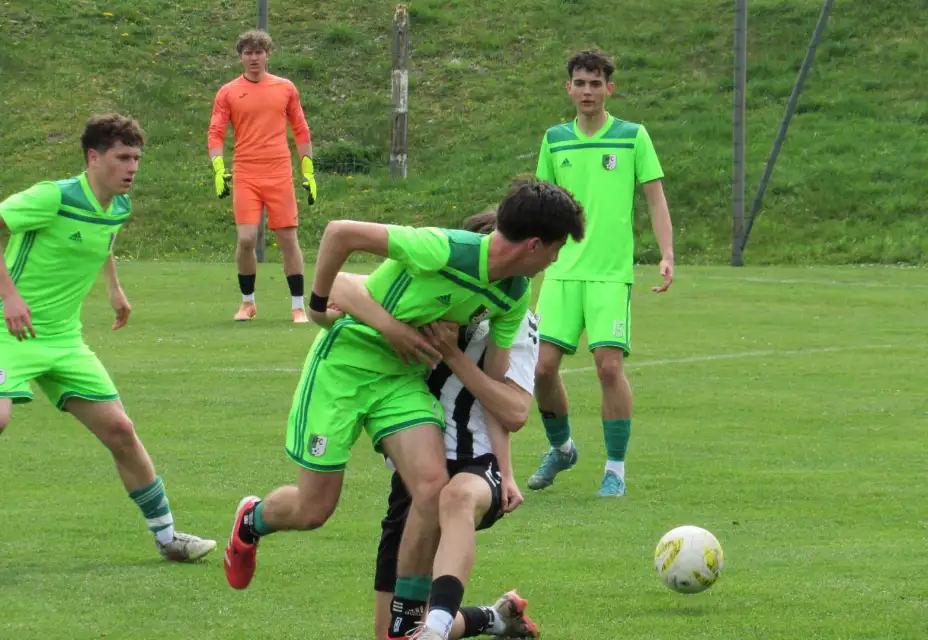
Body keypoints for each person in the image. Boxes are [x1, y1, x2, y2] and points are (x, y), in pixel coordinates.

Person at [222, 178, 584, 640]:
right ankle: (251, 520)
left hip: (401, 379)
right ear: (534, 244)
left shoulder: (513, 295)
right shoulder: (441, 248)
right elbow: (339, 233)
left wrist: (505, 468)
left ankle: (410, 624)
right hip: (345, 366)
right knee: (314, 509)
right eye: (556, 249)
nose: (555, 259)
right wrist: (318, 308)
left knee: (432, 487)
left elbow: (494, 389)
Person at [0, 113, 216, 561]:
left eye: (136, 158)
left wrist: (114, 288)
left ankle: (168, 538)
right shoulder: (52, 197)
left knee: (120, 430)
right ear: (94, 157)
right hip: (8, 331)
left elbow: (104, 240)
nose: (132, 167)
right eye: (123, 157)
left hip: (63, 339)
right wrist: (10, 296)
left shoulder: (118, 205)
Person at [326, 209, 540, 640]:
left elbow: (514, 412)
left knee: (456, 497)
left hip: (475, 464)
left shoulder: (511, 322)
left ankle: (441, 624)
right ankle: (492, 618)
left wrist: (454, 356)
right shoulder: (425, 300)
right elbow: (338, 288)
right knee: (393, 633)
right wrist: (374, 323)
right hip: (414, 475)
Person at [529, 49, 675, 497]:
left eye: (596, 84)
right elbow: (539, 205)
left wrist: (667, 252)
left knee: (608, 368)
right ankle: (562, 448)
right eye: (580, 83)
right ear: (569, 88)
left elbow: (654, 197)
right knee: (541, 368)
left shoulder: (633, 137)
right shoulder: (555, 139)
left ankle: (615, 469)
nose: (587, 91)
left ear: (608, 89)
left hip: (610, 275)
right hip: (562, 272)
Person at [207, 29, 317, 323]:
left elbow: (301, 130)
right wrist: (218, 168)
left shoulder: (285, 88)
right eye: (248, 53)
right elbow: (215, 133)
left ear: (268, 54)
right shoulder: (228, 92)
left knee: (287, 239)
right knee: (246, 239)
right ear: (240, 57)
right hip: (246, 172)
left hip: (279, 172)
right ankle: (248, 303)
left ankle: (297, 306)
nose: (254, 58)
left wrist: (308, 170)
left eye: (259, 52)